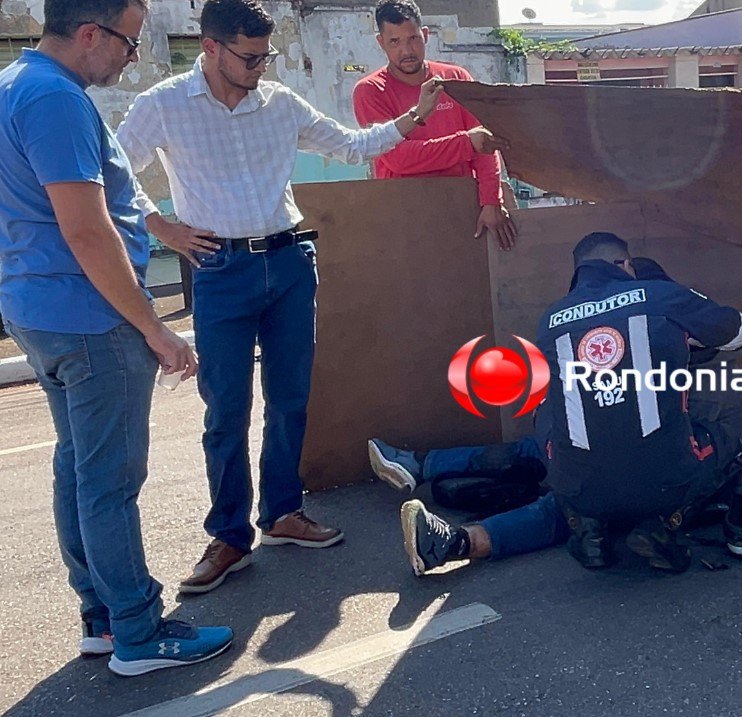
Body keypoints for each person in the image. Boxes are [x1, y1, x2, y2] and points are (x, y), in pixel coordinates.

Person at [116, 0, 487, 595]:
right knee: (226, 409)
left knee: (290, 398)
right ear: (210, 47)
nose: (261, 66)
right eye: (250, 56)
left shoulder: (280, 102)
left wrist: (414, 117)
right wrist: (160, 225)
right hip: (219, 268)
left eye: (267, 55)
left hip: (290, 261)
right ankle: (230, 538)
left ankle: (283, 514)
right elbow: (113, 171)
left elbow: (353, 145)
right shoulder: (161, 105)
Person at [0, 0, 232, 676]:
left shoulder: (16, 84)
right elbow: (86, 229)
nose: (131, 57)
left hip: (39, 308)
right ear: (89, 34)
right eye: (129, 44)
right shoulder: (55, 100)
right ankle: (138, 628)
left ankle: (102, 617)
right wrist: (153, 325)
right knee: (108, 481)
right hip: (89, 316)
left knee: (77, 468)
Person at [369, 234, 742, 574]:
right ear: (625, 264)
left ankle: (445, 513)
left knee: (556, 451)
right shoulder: (661, 295)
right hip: (664, 484)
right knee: (725, 440)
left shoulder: (551, 319)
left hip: (580, 489)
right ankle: (662, 524)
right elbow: (741, 332)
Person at [353, 0, 518, 251]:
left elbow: (486, 146)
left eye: (413, 39)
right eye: (394, 42)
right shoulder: (371, 91)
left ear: (426, 35)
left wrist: (491, 201)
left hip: (464, 211)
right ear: (380, 43)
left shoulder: (456, 79)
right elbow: (399, 159)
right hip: (404, 215)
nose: (406, 50)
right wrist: (467, 143)